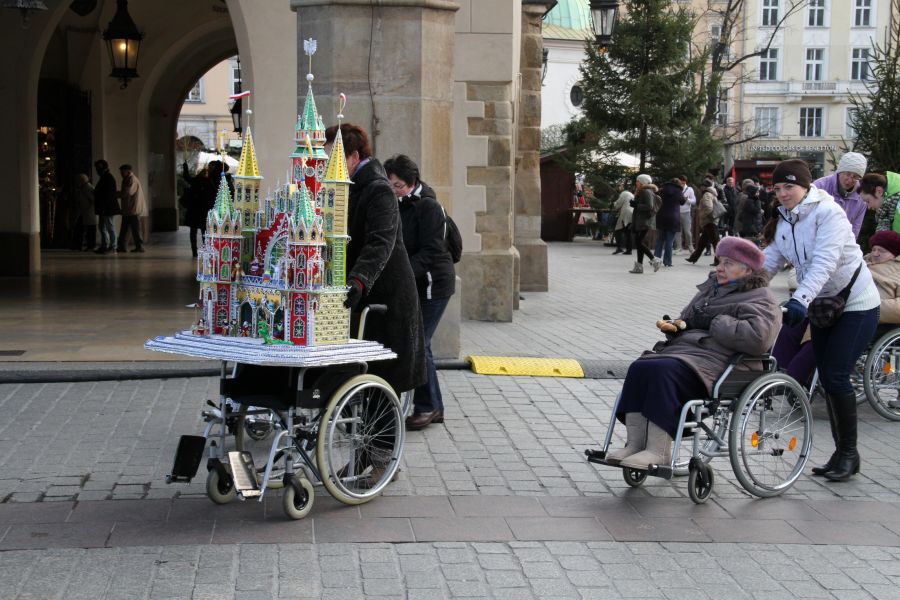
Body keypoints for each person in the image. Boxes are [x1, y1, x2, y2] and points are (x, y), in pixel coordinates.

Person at [606, 237, 781, 469]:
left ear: (747, 269)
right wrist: (678, 326)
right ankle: (636, 444)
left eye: (728, 263)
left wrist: (716, 322)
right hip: (691, 354)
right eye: (719, 261)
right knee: (640, 367)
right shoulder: (711, 289)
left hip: (725, 363)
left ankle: (659, 450)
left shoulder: (761, 297)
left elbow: (759, 338)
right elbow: (688, 319)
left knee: (663, 371)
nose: (719, 268)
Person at [764, 159, 880, 482]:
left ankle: (848, 454)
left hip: (856, 304)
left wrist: (799, 299)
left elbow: (825, 262)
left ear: (806, 186)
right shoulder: (785, 219)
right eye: (778, 188)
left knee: (836, 375)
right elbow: (769, 261)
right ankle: (842, 454)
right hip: (823, 305)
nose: (783, 193)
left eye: (789, 186)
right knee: (826, 378)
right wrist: (739, 288)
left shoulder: (829, 213)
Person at [324, 124, 426, 399]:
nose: (327, 166)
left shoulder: (378, 190)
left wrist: (358, 280)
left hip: (385, 296)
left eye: (334, 159)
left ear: (354, 157)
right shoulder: (340, 187)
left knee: (382, 378)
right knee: (354, 377)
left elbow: (380, 242)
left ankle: (387, 425)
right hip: (360, 295)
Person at [382, 154, 456, 431]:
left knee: (419, 342)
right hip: (413, 282)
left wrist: (402, 272)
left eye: (398, 186)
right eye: (390, 185)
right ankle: (432, 405)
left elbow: (432, 251)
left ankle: (428, 406)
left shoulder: (428, 207)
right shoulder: (398, 204)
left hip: (433, 284)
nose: (394, 190)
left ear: (412, 183)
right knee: (418, 342)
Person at [813, 151, 868, 238]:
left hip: (844, 242)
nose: (850, 180)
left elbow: (855, 229)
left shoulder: (861, 195)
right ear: (840, 172)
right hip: (817, 239)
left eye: (855, 177)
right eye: (847, 174)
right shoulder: (819, 186)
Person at [628, 174, 661, 274]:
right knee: (639, 243)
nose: (636, 183)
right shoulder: (642, 191)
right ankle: (639, 267)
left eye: (638, 181)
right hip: (641, 220)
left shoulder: (646, 191)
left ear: (643, 182)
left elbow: (649, 206)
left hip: (645, 221)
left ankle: (654, 259)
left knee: (639, 243)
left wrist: (636, 205)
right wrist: (635, 203)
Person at [182, 162, 215, 257]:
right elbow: (213, 195)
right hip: (204, 211)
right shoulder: (209, 183)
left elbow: (187, 177)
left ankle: (194, 251)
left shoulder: (195, 181)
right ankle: (205, 248)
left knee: (193, 231)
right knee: (204, 231)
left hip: (193, 211)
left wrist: (185, 167)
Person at [685, 178, 720, 265]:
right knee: (702, 242)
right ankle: (693, 258)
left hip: (709, 221)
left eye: (701, 186)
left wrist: (702, 215)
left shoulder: (707, 194)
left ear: (704, 186)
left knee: (715, 242)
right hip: (711, 221)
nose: (700, 188)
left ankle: (718, 261)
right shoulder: (712, 193)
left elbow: (709, 207)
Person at [654, 178, 685, 267]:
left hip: (661, 216)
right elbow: (682, 202)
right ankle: (667, 262)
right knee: (669, 241)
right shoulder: (679, 191)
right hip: (673, 218)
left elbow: (655, 196)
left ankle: (656, 260)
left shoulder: (662, 190)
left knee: (660, 239)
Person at [116, 164, 145, 253]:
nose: (121, 174)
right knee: (125, 229)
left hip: (133, 209)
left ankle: (139, 246)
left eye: (122, 172)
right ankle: (122, 246)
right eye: (120, 172)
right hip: (128, 209)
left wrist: (114, 194)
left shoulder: (132, 180)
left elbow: (127, 193)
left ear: (128, 171)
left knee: (135, 229)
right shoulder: (127, 179)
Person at [93, 159, 120, 254]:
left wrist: (104, 207)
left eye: (98, 168)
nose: (97, 170)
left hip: (107, 208)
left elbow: (108, 195)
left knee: (109, 227)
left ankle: (113, 246)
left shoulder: (108, 178)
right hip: (104, 208)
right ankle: (105, 245)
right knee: (102, 227)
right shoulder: (104, 177)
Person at [74, 173, 97, 251]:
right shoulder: (85, 187)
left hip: (88, 212)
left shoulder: (87, 188)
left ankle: (90, 246)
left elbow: (93, 200)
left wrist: (87, 207)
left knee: (90, 230)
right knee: (84, 228)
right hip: (85, 212)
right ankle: (80, 245)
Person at [674, 175, 695, 255]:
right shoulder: (676, 189)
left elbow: (694, 201)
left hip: (686, 212)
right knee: (677, 231)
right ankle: (678, 247)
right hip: (676, 212)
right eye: (681, 181)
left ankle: (690, 247)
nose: (682, 183)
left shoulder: (689, 189)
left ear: (685, 182)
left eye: (684, 181)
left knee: (687, 231)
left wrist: (687, 200)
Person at [611, 185, 634, 255]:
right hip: (631, 213)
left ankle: (620, 248)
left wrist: (614, 204)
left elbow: (618, 204)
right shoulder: (631, 194)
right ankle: (629, 250)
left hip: (625, 214)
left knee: (618, 231)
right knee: (628, 232)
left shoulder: (623, 194)